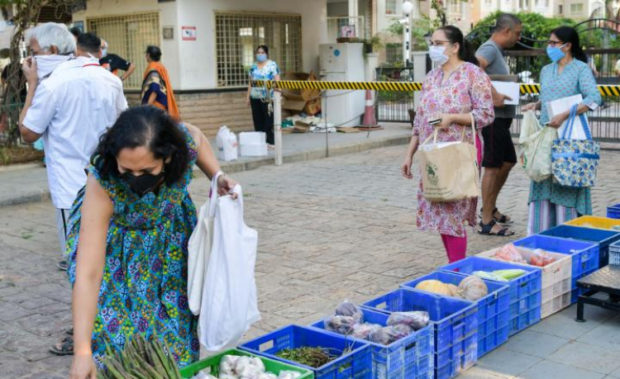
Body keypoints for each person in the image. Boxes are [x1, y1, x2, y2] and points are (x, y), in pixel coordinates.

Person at [68, 106, 238, 378]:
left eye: (147, 170)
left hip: (169, 244)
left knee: (175, 339)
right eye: (127, 171)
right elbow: (88, 273)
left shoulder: (183, 144)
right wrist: (82, 352)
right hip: (118, 252)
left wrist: (217, 175)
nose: (136, 179)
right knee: (117, 343)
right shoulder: (103, 179)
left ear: (168, 157)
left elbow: (199, 139)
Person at [19, 27, 126, 273]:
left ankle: (88, 310)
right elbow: (124, 126)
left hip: (71, 192)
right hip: (108, 183)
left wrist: (32, 85)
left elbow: (27, 132)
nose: (31, 61)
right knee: (107, 257)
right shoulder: (109, 79)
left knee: (79, 264)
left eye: (33, 53)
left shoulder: (53, 85)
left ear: (52, 51)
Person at [401, 25, 494, 263]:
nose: (434, 48)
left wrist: (452, 118)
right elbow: (421, 119)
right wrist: (410, 153)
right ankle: (453, 264)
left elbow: (486, 114)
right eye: (431, 43)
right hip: (433, 152)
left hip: (459, 150)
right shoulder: (431, 78)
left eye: (439, 43)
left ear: (455, 47)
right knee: (440, 206)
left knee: (453, 210)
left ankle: (456, 268)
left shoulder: (473, 74)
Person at [521, 26, 601, 235]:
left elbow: (594, 98)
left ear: (568, 46)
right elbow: (548, 96)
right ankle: (541, 235)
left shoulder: (580, 69)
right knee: (543, 177)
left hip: (570, 138)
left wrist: (565, 114)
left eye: (554, 43)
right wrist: (536, 105)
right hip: (547, 135)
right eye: (549, 43)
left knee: (565, 180)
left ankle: (568, 235)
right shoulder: (546, 70)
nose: (549, 47)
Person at [475, 13, 522, 236]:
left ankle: (490, 208)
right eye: (517, 33)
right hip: (492, 118)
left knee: (508, 161)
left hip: (501, 119)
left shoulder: (497, 51)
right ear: (506, 31)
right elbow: (475, 67)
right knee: (493, 165)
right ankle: (485, 221)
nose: (518, 37)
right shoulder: (490, 48)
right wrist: (492, 93)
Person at [246, 45, 280, 147]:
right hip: (255, 97)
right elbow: (250, 83)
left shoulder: (272, 65)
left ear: (266, 54)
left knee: (268, 119)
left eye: (262, 53)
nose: (260, 55)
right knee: (257, 119)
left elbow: (277, 79)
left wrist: (278, 93)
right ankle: (261, 142)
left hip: (268, 97)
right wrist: (247, 96)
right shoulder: (253, 67)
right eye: (258, 53)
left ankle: (270, 141)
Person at [141, 45, 179, 119]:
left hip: (155, 106)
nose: (145, 56)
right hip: (162, 104)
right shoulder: (160, 67)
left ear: (148, 55)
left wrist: (147, 106)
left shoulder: (153, 68)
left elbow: (155, 89)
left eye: (146, 54)